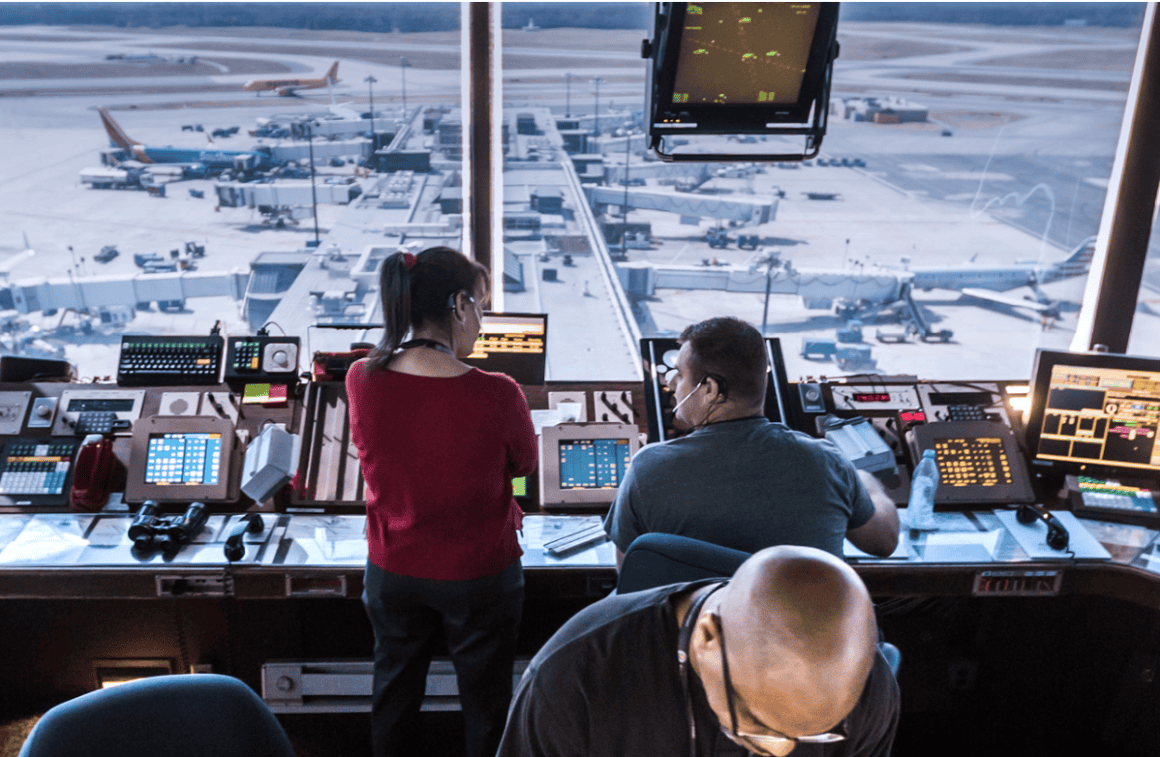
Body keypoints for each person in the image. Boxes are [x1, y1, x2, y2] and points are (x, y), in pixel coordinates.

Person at [345, 246, 537, 757]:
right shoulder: (499, 392)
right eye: (480, 306)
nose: (482, 321)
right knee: (487, 706)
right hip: (480, 575)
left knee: (394, 695)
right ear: (458, 305)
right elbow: (524, 467)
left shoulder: (361, 377)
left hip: (394, 571)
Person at [496, 545, 900, 757]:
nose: (782, 752)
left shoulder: (871, 687)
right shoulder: (573, 677)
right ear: (708, 637)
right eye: (756, 726)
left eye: (815, 736)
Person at [605, 317, 899, 563]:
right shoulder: (828, 461)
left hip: (699, 630)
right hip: (802, 632)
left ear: (709, 388)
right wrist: (868, 483)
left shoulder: (647, 469)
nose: (672, 385)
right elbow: (883, 543)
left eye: (679, 375)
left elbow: (629, 575)